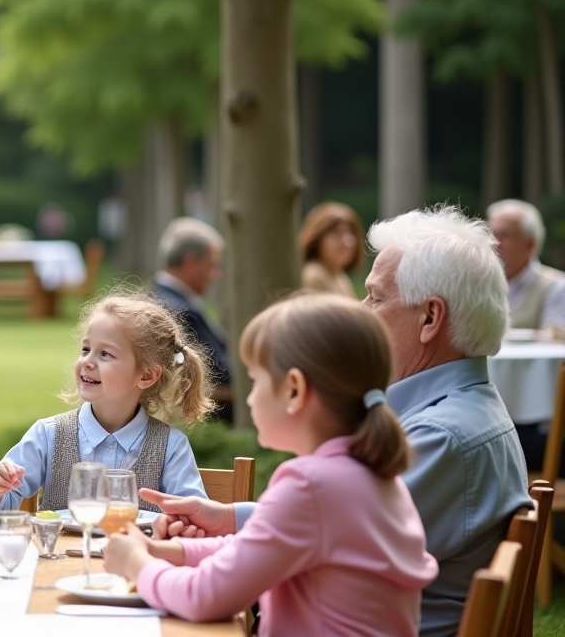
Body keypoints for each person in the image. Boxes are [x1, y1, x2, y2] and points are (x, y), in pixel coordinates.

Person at [144, 206, 532, 637]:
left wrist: (152, 560)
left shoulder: (438, 437)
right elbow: (325, 525)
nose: (361, 310)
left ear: (430, 318)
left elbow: (313, 539)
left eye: (376, 297)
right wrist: (231, 518)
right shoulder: (456, 414)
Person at [104, 294, 437, 635]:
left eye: (256, 380)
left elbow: (204, 597)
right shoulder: (370, 473)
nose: (249, 398)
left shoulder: (311, 486)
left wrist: (136, 562)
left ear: (294, 390)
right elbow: (248, 550)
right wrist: (163, 550)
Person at [0, 292, 212, 511]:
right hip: (62, 560)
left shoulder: (170, 446)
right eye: (86, 349)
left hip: (137, 559)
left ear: (146, 376)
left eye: (105, 354)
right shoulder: (48, 435)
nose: (88, 361)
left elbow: (194, 515)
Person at [152, 218, 231, 418]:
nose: (216, 276)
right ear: (190, 262)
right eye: (212, 265)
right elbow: (219, 375)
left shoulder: (156, 298)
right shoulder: (180, 312)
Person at [486, 198, 565, 329]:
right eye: (490, 234)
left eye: (503, 235)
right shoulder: (479, 283)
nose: (493, 242)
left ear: (529, 244)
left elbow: (555, 344)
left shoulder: (557, 287)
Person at [298, 201, 364, 298]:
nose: (346, 242)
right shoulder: (314, 276)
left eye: (350, 233)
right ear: (317, 239)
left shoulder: (340, 276)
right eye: (336, 234)